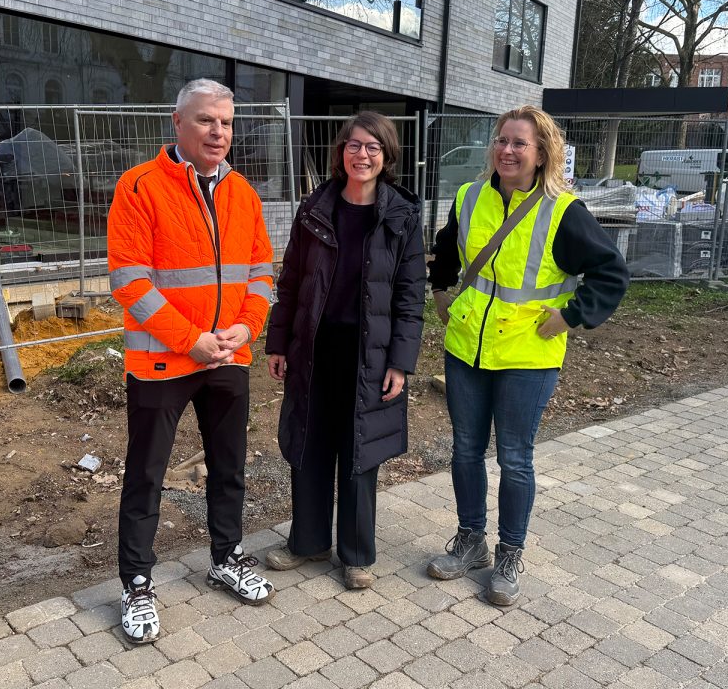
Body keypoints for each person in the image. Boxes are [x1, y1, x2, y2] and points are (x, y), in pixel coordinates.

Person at [426, 105, 629, 606]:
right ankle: (470, 540)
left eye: (520, 143)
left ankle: (509, 553)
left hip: (527, 355)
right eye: (501, 140)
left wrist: (571, 316)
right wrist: (439, 290)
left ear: (541, 155)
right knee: (466, 450)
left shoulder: (563, 211)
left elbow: (610, 272)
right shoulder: (471, 197)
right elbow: (447, 247)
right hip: (467, 346)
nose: (507, 150)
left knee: (515, 459)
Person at [107, 78, 277, 644]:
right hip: (163, 363)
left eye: (226, 122)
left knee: (229, 466)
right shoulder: (138, 188)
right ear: (177, 122)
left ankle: (226, 555)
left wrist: (244, 327)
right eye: (206, 120)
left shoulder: (243, 194)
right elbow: (130, 281)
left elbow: (260, 272)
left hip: (228, 355)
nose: (218, 132)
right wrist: (189, 339)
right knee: (147, 475)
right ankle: (136, 583)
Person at [263, 111, 426, 590]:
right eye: (354, 145)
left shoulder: (401, 216)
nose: (363, 155)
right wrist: (278, 340)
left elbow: (410, 295)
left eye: (373, 147)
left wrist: (400, 361)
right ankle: (307, 542)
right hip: (315, 346)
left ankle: (356, 554)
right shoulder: (315, 208)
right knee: (309, 444)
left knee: (359, 451)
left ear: (386, 156)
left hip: (369, 352)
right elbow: (290, 280)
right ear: (341, 152)